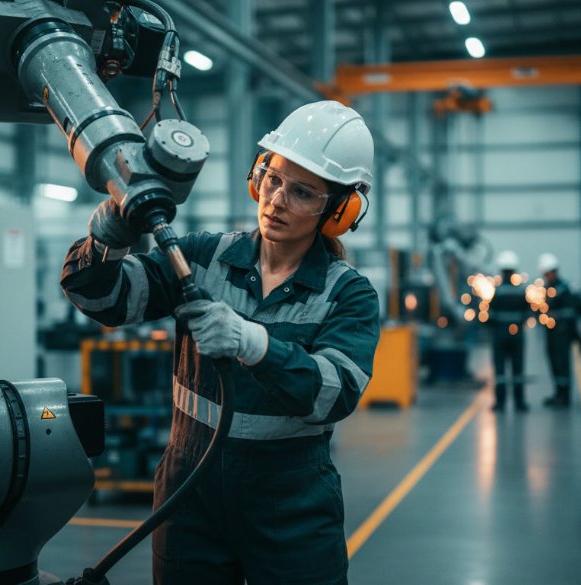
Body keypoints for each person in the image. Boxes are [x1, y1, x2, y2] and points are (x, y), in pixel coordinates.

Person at [61, 100, 380, 585]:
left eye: (302, 192)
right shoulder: (202, 257)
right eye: (272, 178)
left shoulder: (348, 293)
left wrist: (254, 344)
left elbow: (334, 394)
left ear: (339, 210)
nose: (275, 201)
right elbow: (104, 300)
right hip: (189, 490)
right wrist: (110, 232)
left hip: (290, 499)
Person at [537, 253, 581, 408]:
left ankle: (565, 396)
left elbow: (571, 313)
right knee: (554, 363)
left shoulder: (564, 289)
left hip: (562, 333)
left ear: (554, 272)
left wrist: (576, 335)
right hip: (551, 333)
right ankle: (558, 393)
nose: (547, 276)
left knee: (562, 364)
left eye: (548, 273)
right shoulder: (545, 290)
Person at [488, 250, 531, 412]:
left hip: (499, 334)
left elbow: (489, 315)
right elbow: (528, 312)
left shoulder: (497, 291)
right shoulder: (521, 290)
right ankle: (519, 403)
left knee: (500, 370)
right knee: (518, 368)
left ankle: (500, 403)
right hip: (517, 334)